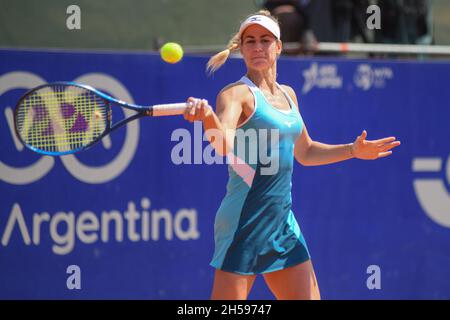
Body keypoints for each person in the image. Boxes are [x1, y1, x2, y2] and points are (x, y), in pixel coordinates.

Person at [182, 10, 401, 300]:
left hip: (283, 223)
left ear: (279, 46)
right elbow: (223, 146)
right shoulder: (236, 94)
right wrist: (208, 118)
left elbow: (306, 151)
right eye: (250, 41)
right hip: (244, 221)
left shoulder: (288, 95)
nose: (257, 47)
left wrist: (352, 150)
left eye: (265, 40)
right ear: (242, 48)